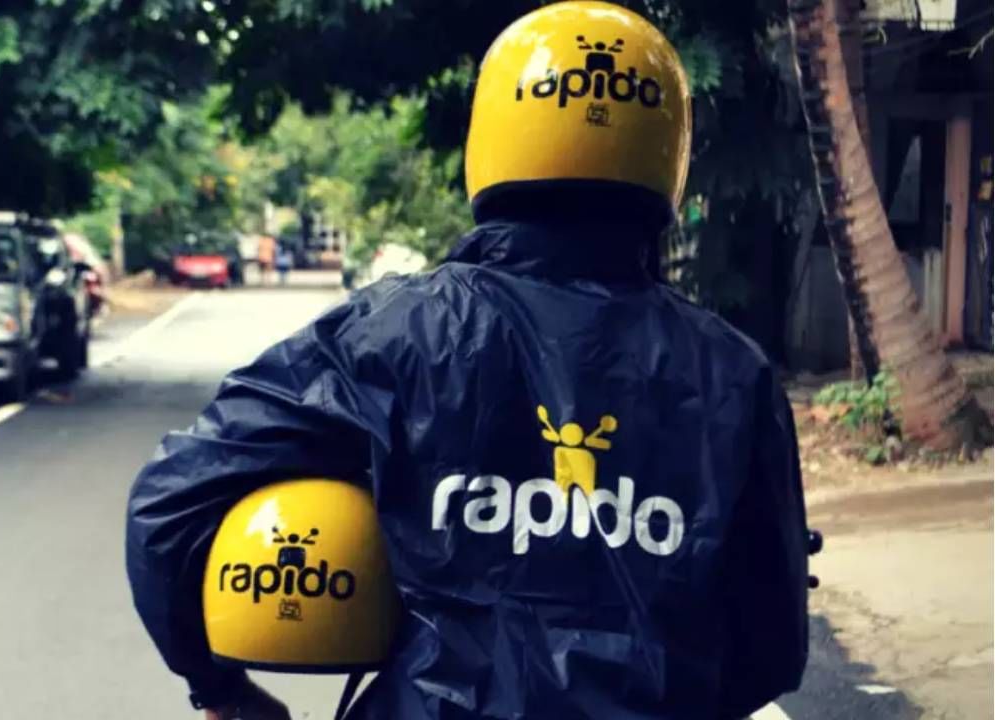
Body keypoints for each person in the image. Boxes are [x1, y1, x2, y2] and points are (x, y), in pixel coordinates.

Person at [125, 3, 810, 719]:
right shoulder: (735, 374)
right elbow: (773, 648)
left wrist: (223, 692)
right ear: (668, 148)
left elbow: (169, 503)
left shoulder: (391, 335)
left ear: (493, 135)